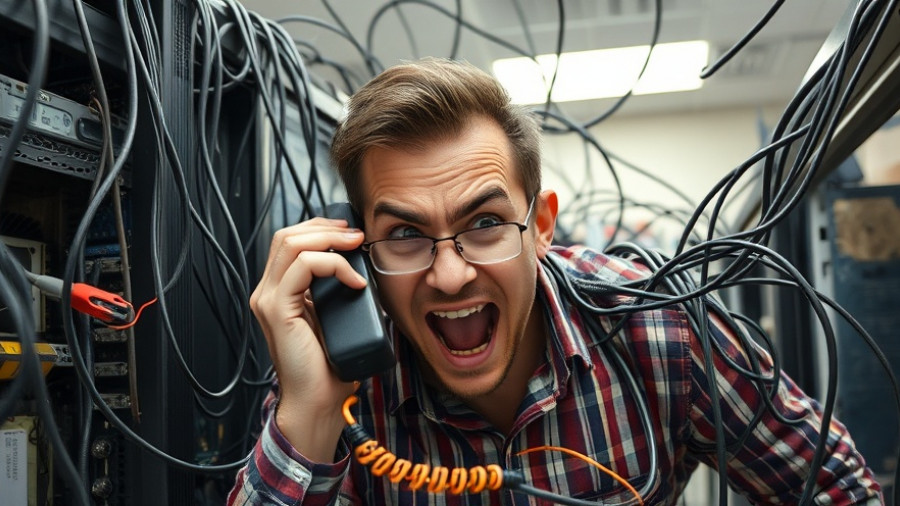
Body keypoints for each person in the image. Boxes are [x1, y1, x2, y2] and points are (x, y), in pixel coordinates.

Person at [228, 57, 881, 505]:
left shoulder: (661, 328)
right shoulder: (342, 384)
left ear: (540, 227)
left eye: (484, 222)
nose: (451, 274)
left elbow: (837, 488)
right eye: (404, 235)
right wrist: (310, 412)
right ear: (359, 248)